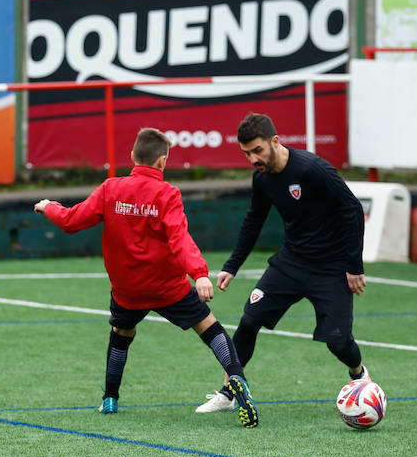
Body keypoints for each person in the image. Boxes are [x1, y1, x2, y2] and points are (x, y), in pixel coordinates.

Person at [34, 127, 258, 428]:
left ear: (132, 157)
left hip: (128, 289)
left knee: (121, 334)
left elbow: (71, 221)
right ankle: (237, 379)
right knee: (210, 328)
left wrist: (49, 206)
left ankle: (110, 398)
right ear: (162, 162)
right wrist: (200, 274)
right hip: (169, 288)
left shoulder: (111, 188)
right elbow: (180, 239)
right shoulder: (167, 193)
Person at [196, 112, 370, 414]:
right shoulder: (261, 177)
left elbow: (352, 210)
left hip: (330, 267)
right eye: (247, 153)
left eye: (258, 150)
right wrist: (232, 265)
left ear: (275, 141)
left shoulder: (312, 169)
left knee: (338, 342)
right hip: (291, 262)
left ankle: (359, 375)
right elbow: (254, 220)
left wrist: (353, 266)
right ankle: (229, 390)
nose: (253, 158)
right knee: (249, 320)